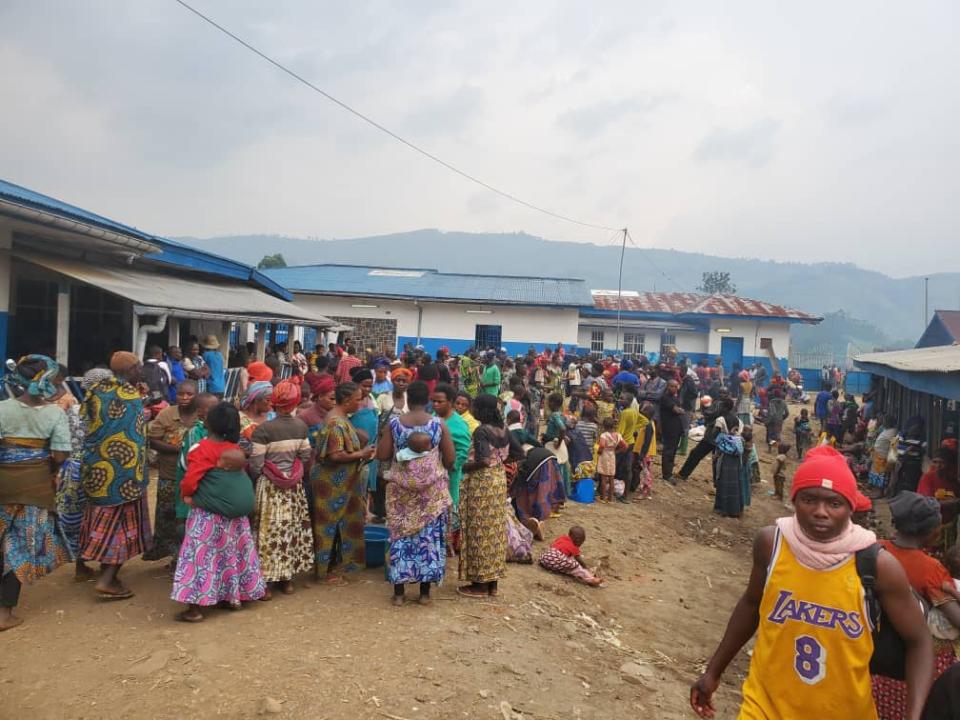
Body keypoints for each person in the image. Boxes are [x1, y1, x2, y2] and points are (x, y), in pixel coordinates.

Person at [690, 446, 933, 720]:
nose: (820, 512)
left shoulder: (875, 565)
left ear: (850, 507)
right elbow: (751, 604)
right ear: (794, 500)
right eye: (809, 500)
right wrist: (712, 673)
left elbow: (920, 641)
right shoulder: (772, 544)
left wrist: (915, 715)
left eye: (834, 503)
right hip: (765, 707)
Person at [172, 402, 265, 621]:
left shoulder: (200, 448)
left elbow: (191, 479)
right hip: (236, 517)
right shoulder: (235, 450)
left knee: (200, 556)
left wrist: (186, 496)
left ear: (208, 423)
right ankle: (232, 597)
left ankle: (194, 608)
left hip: (207, 515)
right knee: (230, 554)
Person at [0, 355, 73, 631]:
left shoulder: (2, 409)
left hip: (3, 484)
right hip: (35, 487)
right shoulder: (55, 413)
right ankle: (4, 612)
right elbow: (60, 454)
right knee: (19, 545)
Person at [873, 492, 960, 719]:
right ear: (932, 533)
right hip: (907, 667)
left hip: (871, 656)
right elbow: (956, 619)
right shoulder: (931, 570)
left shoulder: (874, 550)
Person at [78, 351, 152, 600]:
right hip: (124, 477)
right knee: (121, 526)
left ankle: (96, 567)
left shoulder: (97, 390)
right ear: (130, 369)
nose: (140, 370)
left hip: (96, 470)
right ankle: (107, 579)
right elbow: (135, 430)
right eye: (138, 366)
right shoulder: (130, 395)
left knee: (98, 520)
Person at [377, 381, 455, 606]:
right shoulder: (439, 425)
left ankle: (399, 594)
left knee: (401, 538)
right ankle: (424, 593)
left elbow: (382, 454)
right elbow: (450, 459)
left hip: (401, 493)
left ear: (408, 399)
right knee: (428, 539)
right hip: (430, 495)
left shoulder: (394, 424)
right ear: (428, 400)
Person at [248, 381, 314, 597]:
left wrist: (266, 474)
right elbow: (305, 456)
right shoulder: (301, 427)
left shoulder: (263, 430)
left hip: (269, 488)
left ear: (274, 403)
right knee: (289, 531)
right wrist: (290, 472)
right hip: (293, 488)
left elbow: (256, 464)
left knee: (267, 531)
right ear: (295, 402)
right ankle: (286, 581)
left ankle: (265, 583)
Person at [311, 382, 376, 584]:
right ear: (347, 401)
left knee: (338, 524)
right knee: (328, 525)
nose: (361, 403)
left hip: (340, 483)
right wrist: (361, 453)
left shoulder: (341, 419)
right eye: (358, 399)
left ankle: (335, 566)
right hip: (330, 483)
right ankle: (326, 571)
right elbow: (336, 455)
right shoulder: (335, 423)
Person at [56, 367, 112, 580]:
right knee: (100, 516)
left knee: (77, 518)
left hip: (71, 470)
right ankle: (106, 565)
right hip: (98, 469)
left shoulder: (72, 408)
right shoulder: (107, 411)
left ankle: (80, 565)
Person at [458, 393, 510, 598]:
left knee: (478, 530)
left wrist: (464, 466)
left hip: (482, 483)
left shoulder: (481, 431)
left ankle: (479, 585)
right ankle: (492, 584)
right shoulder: (503, 429)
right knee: (494, 532)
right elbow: (517, 453)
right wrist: (501, 461)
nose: (472, 409)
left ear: (481, 410)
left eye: (475, 407)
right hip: (498, 481)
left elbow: (484, 460)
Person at [144, 380, 198, 564]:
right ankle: (173, 555)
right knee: (167, 517)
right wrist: (180, 450)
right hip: (169, 474)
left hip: (195, 477)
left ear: (196, 395)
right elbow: (153, 440)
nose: (184, 398)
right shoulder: (167, 414)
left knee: (188, 518)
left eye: (189, 394)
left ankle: (187, 556)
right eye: (181, 394)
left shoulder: (202, 415)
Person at [916, 447, 960, 554]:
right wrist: (952, 502)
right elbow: (926, 503)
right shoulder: (928, 478)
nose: (938, 466)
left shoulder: (954, 479)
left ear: (949, 464)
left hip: (949, 527)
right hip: (931, 527)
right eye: (935, 462)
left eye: (942, 463)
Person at [712, 398, 745, 518]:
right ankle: (736, 509)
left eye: (721, 406)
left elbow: (714, 434)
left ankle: (723, 508)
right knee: (736, 481)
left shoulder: (720, 420)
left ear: (724, 407)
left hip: (724, 454)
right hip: (736, 455)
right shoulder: (739, 421)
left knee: (723, 480)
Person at [538, 526, 603, 587]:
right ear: (578, 540)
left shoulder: (562, 538)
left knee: (565, 561)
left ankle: (548, 566)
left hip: (545, 558)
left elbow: (553, 547)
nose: (580, 545)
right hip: (555, 559)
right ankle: (591, 579)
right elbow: (579, 559)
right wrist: (585, 567)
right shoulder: (574, 547)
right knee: (576, 566)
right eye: (581, 543)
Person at [659, 379, 685, 483]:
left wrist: (680, 410)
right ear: (668, 386)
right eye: (672, 386)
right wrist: (680, 410)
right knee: (668, 451)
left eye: (676, 386)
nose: (674, 388)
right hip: (669, 428)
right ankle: (666, 474)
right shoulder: (665, 398)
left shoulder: (675, 399)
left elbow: (679, 409)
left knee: (673, 451)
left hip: (676, 428)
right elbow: (677, 410)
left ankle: (669, 472)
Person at [597, 417, 626, 503]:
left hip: (604, 455)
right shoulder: (618, 435)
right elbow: (625, 446)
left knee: (603, 477)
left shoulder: (604, 435)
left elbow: (602, 445)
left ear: (604, 426)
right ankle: (610, 498)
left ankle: (603, 497)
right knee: (611, 478)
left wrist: (599, 452)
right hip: (612, 455)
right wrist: (617, 451)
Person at [631, 401, 656, 500]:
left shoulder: (649, 424)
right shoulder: (646, 423)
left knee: (646, 473)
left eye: (644, 410)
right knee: (643, 471)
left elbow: (647, 441)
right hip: (642, 451)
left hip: (646, 453)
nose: (641, 411)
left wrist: (643, 454)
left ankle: (645, 491)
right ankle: (644, 489)